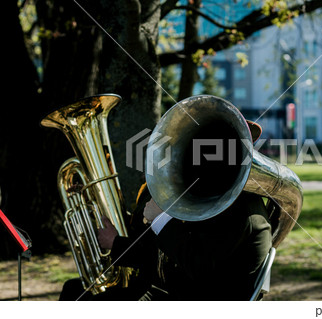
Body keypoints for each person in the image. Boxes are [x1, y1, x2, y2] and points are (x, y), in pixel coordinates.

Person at [59, 120, 273, 301]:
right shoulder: (216, 200)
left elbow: (193, 265)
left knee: (76, 296)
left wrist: (158, 221)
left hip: (195, 298)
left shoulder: (238, 208)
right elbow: (164, 251)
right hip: (179, 291)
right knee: (74, 290)